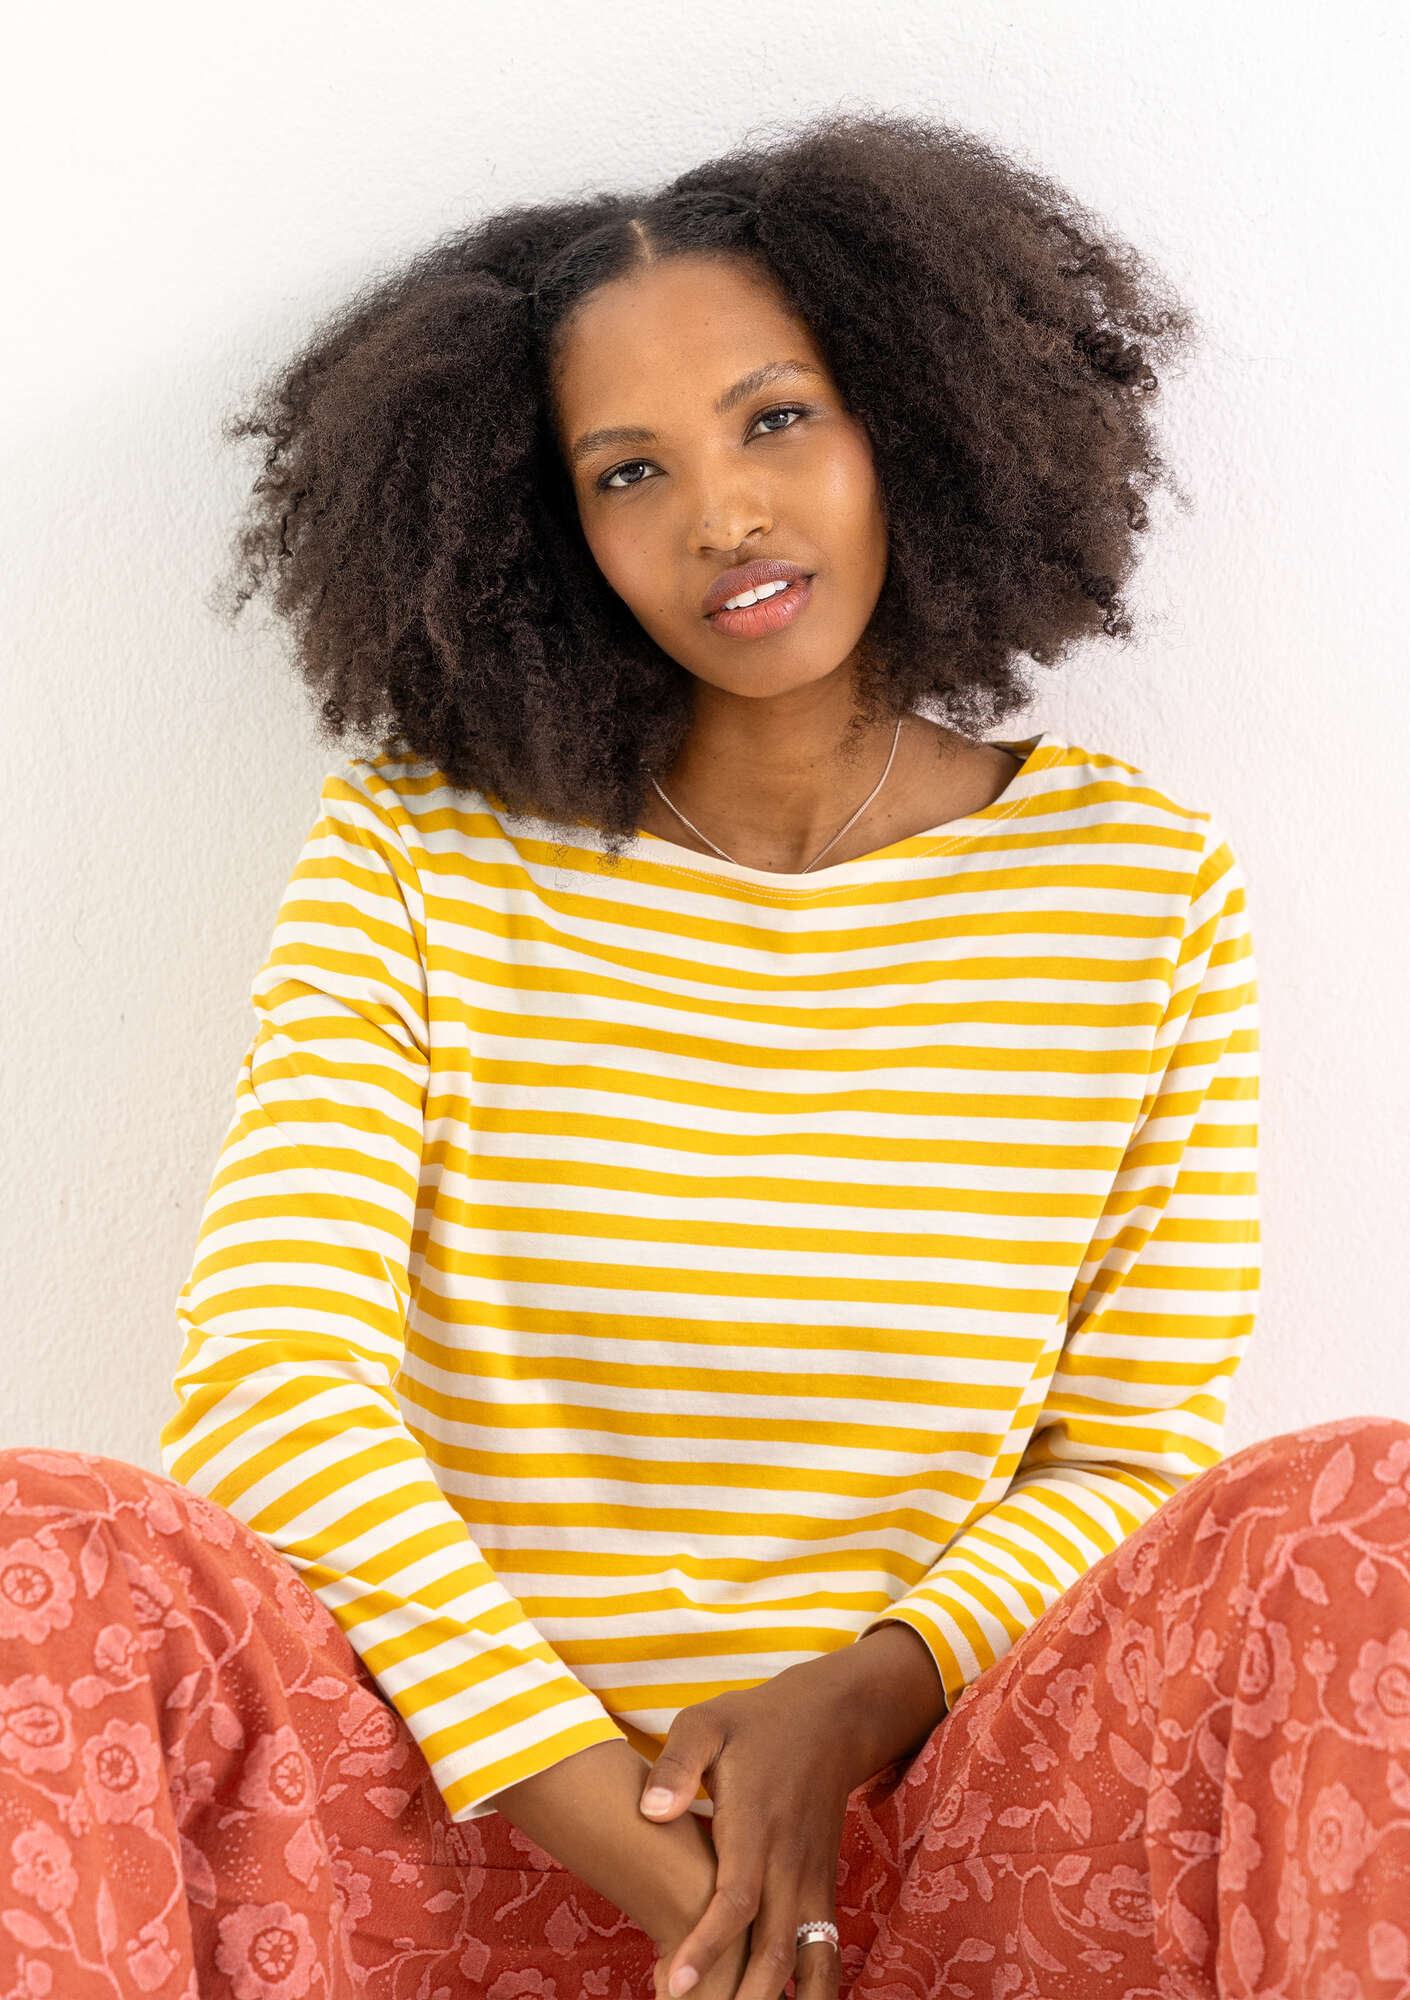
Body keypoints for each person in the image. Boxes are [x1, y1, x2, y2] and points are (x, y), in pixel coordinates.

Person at [4, 108, 1408, 2000]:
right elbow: (269, 1384)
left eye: (774, 420)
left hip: (942, 1839)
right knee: (43, 1544)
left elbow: (1125, 1449)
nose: (721, 515)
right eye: (629, 470)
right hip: (449, 1831)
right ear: (550, 529)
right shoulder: (417, 853)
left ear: (909, 421)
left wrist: (852, 1708)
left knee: (1366, 1515)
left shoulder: (1136, 888)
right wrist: (662, 1867)